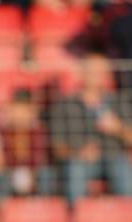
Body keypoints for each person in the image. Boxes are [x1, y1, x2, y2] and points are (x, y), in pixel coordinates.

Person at [50, 52, 132, 204]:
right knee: (75, 170)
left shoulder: (119, 102)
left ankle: (127, 221)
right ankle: (75, 220)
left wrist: (117, 128)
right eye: (92, 71)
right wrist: (78, 153)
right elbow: (57, 146)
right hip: (80, 161)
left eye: (101, 71)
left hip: (115, 158)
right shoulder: (65, 105)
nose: (97, 75)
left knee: (124, 169)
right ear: (82, 73)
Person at [0, 89, 54, 196]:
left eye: (24, 110)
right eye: (18, 109)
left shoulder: (38, 132)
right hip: (10, 174)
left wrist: (31, 173)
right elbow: (3, 158)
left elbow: (40, 158)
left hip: (34, 174)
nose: (20, 115)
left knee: (46, 175)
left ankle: (42, 205)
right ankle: (1, 210)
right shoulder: (4, 132)